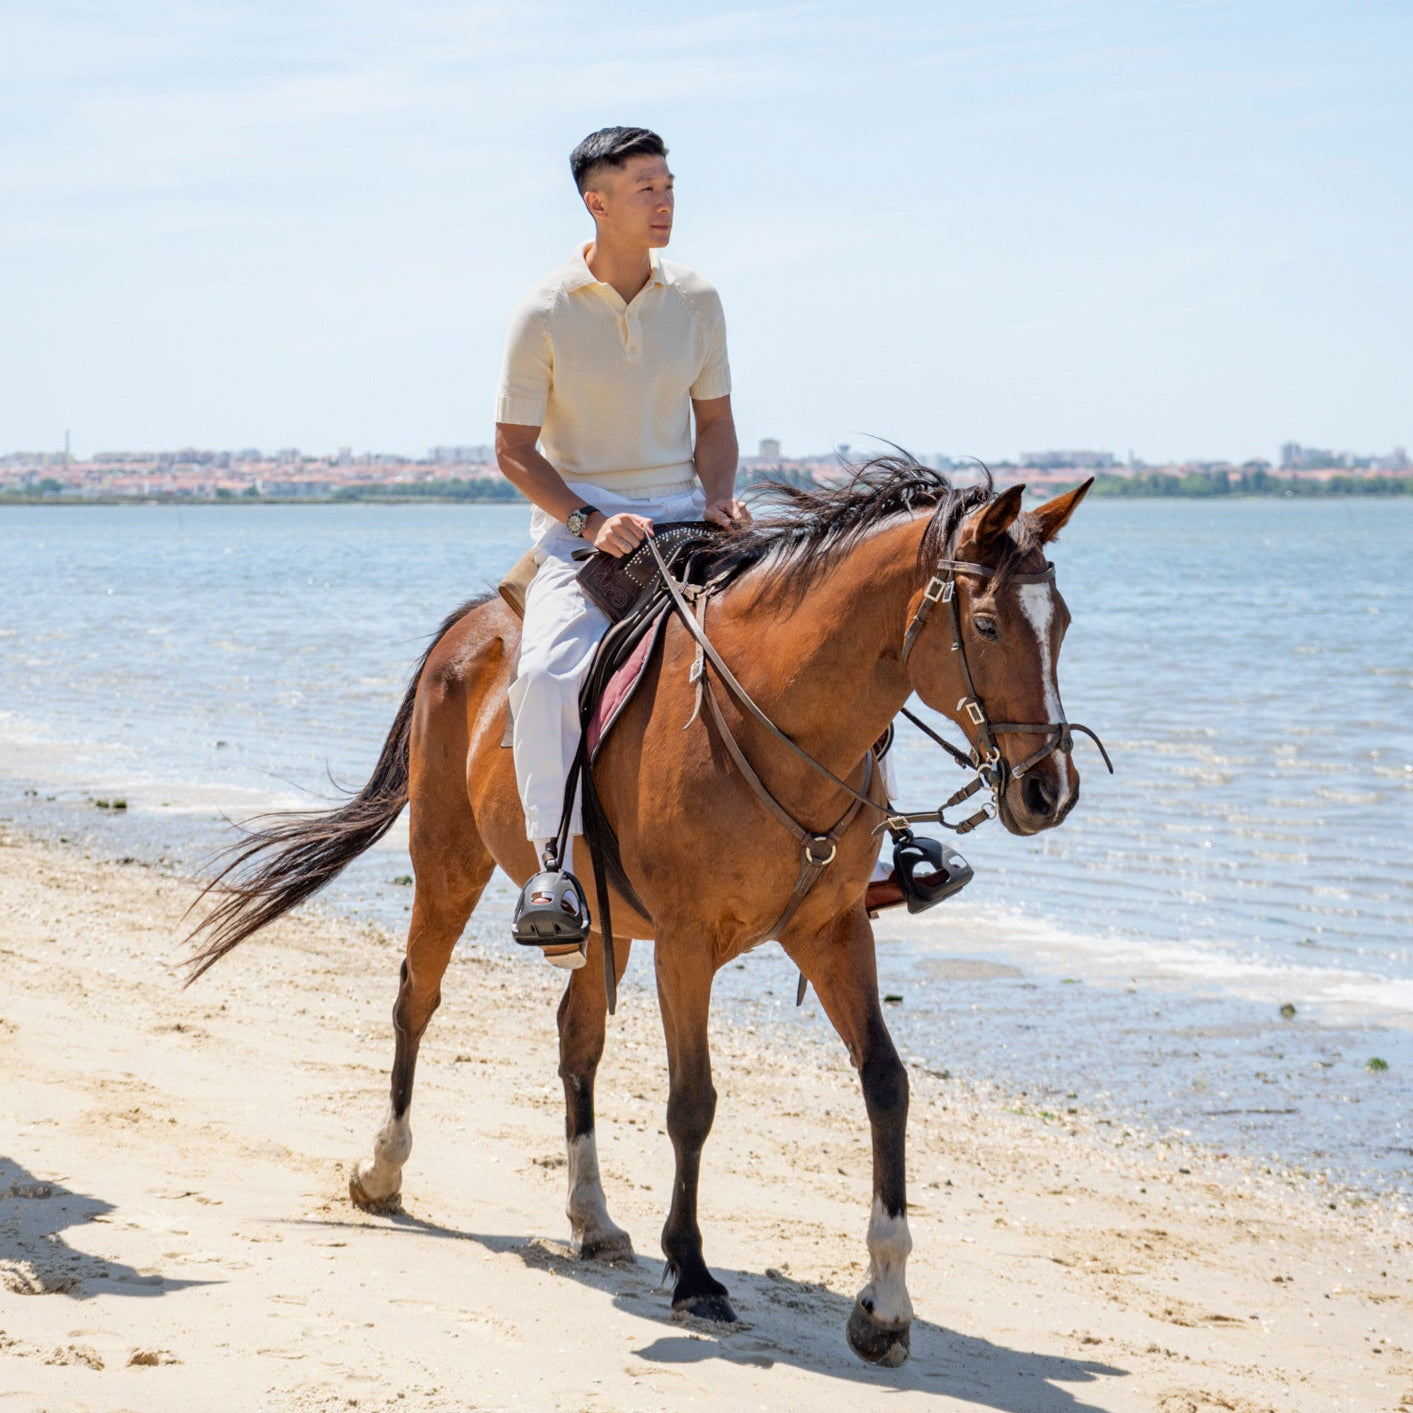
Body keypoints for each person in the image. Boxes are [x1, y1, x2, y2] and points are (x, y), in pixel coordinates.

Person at [495, 126, 749, 968]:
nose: (666, 199)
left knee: (828, 622)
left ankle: (879, 847)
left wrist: (717, 498)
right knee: (543, 675)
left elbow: (714, 427)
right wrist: (586, 522)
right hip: (583, 534)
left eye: (670, 184)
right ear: (595, 202)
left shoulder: (698, 299)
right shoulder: (544, 309)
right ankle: (555, 873)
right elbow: (513, 451)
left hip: (687, 519)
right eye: (646, 188)